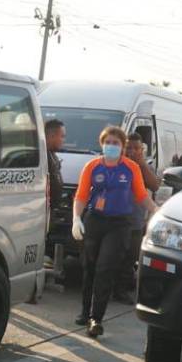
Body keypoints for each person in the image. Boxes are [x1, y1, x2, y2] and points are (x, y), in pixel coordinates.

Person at [72, 126, 157, 337]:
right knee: (89, 267)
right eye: (108, 143)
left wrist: (156, 210)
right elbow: (81, 196)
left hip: (119, 224)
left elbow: (140, 195)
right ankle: (85, 311)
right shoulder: (92, 166)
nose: (111, 146)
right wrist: (76, 218)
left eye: (116, 143)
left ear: (122, 146)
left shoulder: (130, 168)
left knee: (104, 268)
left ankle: (96, 319)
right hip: (94, 221)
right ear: (102, 144)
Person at [113, 133, 161, 304]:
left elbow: (154, 185)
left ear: (142, 150)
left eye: (136, 148)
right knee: (113, 256)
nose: (132, 152)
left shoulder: (145, 167)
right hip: (115, 219)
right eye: (129, 148)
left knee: (130, 256)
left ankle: (122, 290)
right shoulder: (116, 164)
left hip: (134, 221)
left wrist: (141, 164)